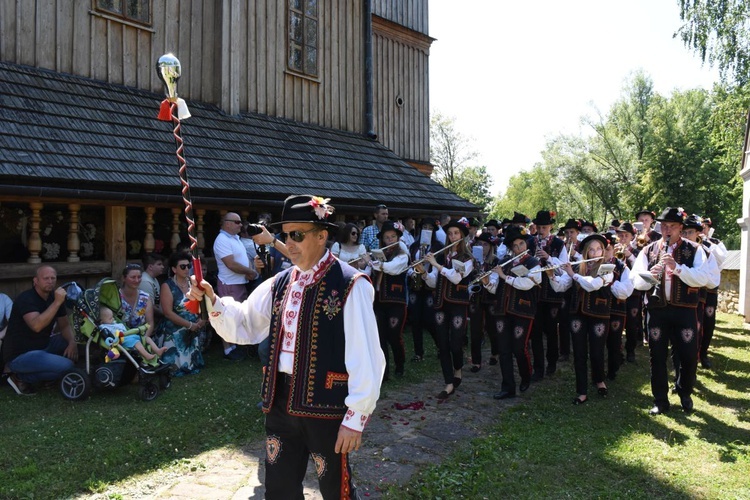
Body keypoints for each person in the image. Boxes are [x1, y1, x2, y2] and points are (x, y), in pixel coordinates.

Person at [187, 194, 385, 499]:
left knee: (336, 489)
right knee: (279, 488)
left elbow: (367, 355)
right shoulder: (280, 283)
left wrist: (356, 417)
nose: (288, 243)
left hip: (326, 405)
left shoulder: (350, 283)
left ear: (322, 236)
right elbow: (245, 323)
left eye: (297, 235)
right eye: (284, 235)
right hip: (280, 401)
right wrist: (212, 299)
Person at [632, 207, 709, 415]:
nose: (666, 230)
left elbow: (704, 278)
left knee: (689, 354)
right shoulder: (648, 250)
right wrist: (650, 274)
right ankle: (660, 400)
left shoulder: (695, 249)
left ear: (680, 228)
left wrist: (677, 267)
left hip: (685, 310)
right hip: (657, 310)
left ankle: (684, 392)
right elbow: (636, 281)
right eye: (663, 225)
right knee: (656, 356)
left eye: (672, 226)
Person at [550, 233, 614, 405]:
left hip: (599, 314)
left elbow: (593, 285)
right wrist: (551, 275)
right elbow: (561, 286)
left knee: (596, 351)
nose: (595, 252)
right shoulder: (578, 267)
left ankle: (599, 380)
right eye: (591, 250)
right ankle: (582, 391)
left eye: (599, 249)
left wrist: (572, 274)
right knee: (579, 352)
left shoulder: (607, 268)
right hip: (577, 314)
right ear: (586, 252)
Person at [418, 219, 474, 400]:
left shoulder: (468, 258)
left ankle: (458, 368)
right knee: (442, 344)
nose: (452, 237)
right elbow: (435, 280)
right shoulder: (442, 255)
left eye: (456, 233)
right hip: (441, 303)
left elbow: (456, 278)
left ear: (462, 236)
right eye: (450, 234)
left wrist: (435, 265)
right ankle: (449, 383)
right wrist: (425, 273)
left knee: (456, 344)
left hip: (458, 304)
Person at [3, 265, 78, 395]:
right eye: (46, 278)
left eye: (53, 278)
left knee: (74, 342)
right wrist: (56, 303)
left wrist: (72, 342)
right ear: (35, 281)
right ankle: (19, 377)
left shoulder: (54, 298)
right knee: (67, 366)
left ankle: (48, 376)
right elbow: (36, 326)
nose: (50, 281)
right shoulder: (26, 299)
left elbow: (65, 325)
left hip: (44, 345)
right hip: (21, 354)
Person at [485, 227, 541, 400]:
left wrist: (503, 276)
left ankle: (526, 376)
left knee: (519, 347)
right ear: (510, 248)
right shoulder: (504, 262)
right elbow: (495, 288)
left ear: (526, 244)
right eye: (515, 246)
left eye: (521, 244)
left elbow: (527, 284)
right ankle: (508, 387)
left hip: (523, 310)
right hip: (503, 310)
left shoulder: (534, 262)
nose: (519, 249)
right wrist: (487, 282)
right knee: (504, 350)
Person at [213, 212, 258, 361]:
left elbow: (242, 259)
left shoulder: (234, 238)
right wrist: (250, 271)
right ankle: (228, 350)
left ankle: (237, 346)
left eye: (240, 222)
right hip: (230, 284)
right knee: (227, 316)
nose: (241, 225)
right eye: (237, 222)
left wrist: (248, 271)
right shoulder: (222, 240)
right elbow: (230, 263)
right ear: (227, 223)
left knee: (238, 316)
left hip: (239, 282)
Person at [153, 251, 207, 376]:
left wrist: (202, 319)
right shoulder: (167, 286)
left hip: (194, 326)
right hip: (174, 327)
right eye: (183, 266)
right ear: (174, 269)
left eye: (188, 266)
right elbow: (168, 313)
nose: (187, 269)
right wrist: (189, 325)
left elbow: (203, 304)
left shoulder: (193, 283)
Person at [530, 210, 567, 380]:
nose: (541, 230)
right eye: (538, 227)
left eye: (544, 227)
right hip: (535, 292)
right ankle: (538, 368)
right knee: (535, 332)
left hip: (552, 294)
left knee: (552, 330)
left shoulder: (559, 244)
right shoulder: (530, 241)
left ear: (550, 227)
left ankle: (551, 362)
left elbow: (564, 268)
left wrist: (549, 257)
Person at [370, 220, 409, 381]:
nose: (390, 240)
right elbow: (368, 270)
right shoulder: (378, 253)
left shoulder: (402, 253)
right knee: (380, 337)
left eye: (393, 236)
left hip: (396, 301)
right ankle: (383, 372)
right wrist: (365, 261)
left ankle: (400, 365)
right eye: (387, 238)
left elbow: (394, 268)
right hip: (378, 300)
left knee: (394, 335)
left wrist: (379, 265)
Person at [406, 218, 443, 362]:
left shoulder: (438, 246)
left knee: (429, 319)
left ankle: (440, 346)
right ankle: (418, 353)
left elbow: (438, 268)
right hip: (416, 284)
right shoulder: (414, 246)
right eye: (424, 227)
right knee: (415, 319)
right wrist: (413, 273)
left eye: (430, 227)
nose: (427, 229)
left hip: (429, 284)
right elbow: (409, 264)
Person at [467, 232, 500, 372]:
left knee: (492, 328)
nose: (482, 247)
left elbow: (495, 280)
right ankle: (476, 361)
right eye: (479, 244)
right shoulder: (472, 261)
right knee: (475, 330)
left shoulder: (495, 261)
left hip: (491, 298)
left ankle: (495, 352)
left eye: (485, 244)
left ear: (491, 247)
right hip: (475, 297)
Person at [698, 216, 727, 368]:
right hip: (695, 287)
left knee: (708, 322)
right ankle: (691, 352)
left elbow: (722, 259)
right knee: (694, 321)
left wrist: (707, 242)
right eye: (700, 227)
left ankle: (703, 354)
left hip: (710, 288)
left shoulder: (715, 242)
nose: (702, 230)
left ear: (708, 228)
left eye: (704, 227)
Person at [99, 306, 166, 361]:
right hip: (120, 341)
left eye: (112, 316)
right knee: (136, 342)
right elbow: (108, 335)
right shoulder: (104, 327)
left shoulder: (113, 323)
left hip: (128, 336)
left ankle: (158, 350)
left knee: (146, 338)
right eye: (110, 318)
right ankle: (147, 355)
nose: (113, 319)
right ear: (102, 322)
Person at [119, 264, 155, 337]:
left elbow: (150, 323)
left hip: (139, 338)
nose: (137, 280)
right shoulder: (116, 296)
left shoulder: (145, 298)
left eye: (139, 277)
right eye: (133, 277)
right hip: (118, 338)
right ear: (123, 278)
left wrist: (144, 339)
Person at [138, 253, 165, 318]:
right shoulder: (145, 282)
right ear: (150, 267)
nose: (163, 267)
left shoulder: (154, 279)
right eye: (159, 264)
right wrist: (165, 314)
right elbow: (149, 306)